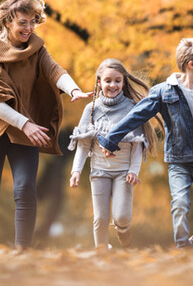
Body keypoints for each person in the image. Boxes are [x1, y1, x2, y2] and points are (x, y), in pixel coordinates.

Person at [0, 0, 92, 248]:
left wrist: (72, 89)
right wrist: (26, 124)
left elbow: (54, 71)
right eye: (22, 22)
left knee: (25, 190)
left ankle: (22, 252)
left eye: (33, 22)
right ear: (7, 22)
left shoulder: (36, 49)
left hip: (24, 131)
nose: (29, 28)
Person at [98, 38, 193, 248]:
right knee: (179, 204)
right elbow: (136, 116)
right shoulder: (164, 91)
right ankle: (182, 246)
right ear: (191, 65)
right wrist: (111, 139)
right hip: (179, 160)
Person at [68, 59, 162, 250]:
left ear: (124, 82)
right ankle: (101, 253)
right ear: (99, 82)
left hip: (123, 173)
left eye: (117, 81)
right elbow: (84, 143)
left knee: (122, 217)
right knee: (100, 218)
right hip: (99, 171)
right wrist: (76, 170)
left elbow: (138, 144)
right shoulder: (91, 110)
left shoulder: (131, 108)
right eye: (108, 80)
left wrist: (134, 171)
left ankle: (123, 231)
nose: (113, 85)